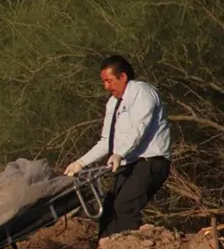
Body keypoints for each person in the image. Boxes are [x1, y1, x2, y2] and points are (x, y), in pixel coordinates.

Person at [63, 55, 171, 239]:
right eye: (103, 82)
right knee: (109, 212)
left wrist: (120, 153)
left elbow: (139, 127)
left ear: (123, 77)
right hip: (129, 164)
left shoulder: (141, 91)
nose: (106, 87)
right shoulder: (113, 103)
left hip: (150, 161)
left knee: (125, 206)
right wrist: (80, 162)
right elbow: (106, 141)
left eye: (109, 81)